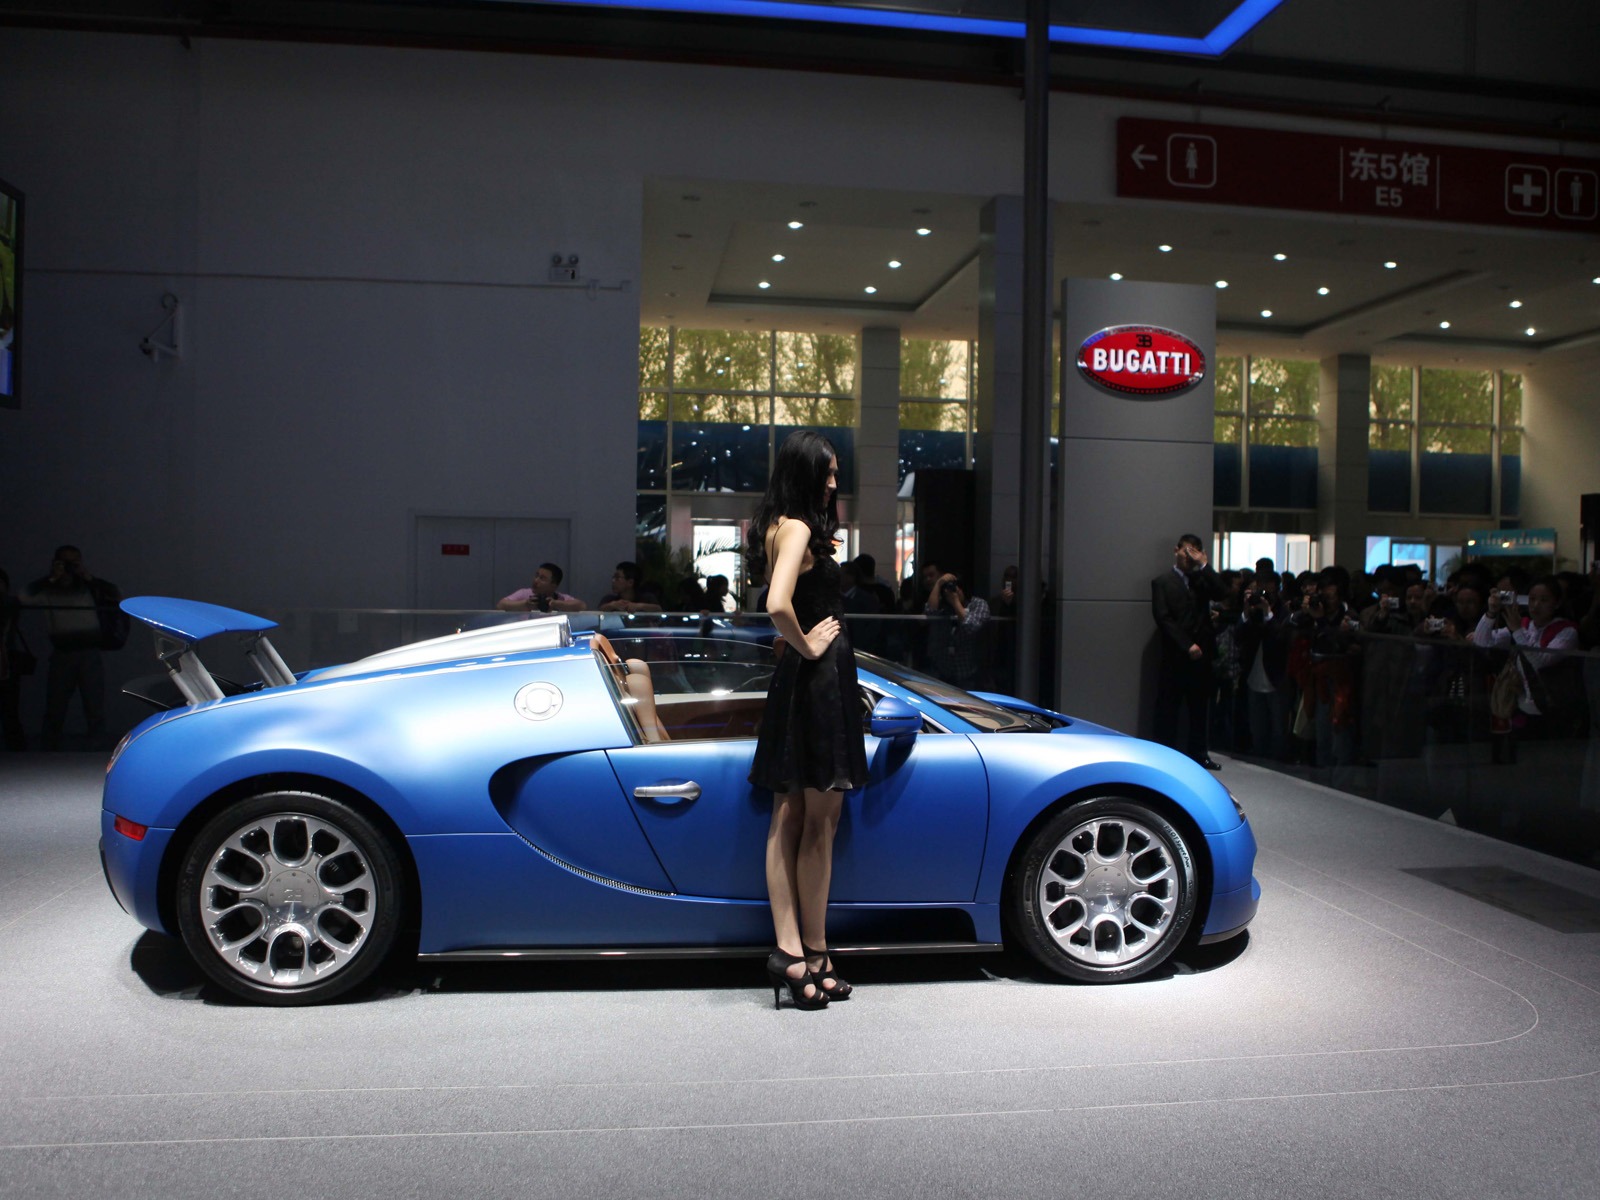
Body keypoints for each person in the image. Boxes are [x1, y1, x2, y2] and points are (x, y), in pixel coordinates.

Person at [745, 430, 868, 1010]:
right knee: (815, 821)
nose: (834, 482)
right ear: (804, 473)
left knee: (792, 817)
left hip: (804, 682)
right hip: (816, 682)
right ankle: (804, 954)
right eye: (827, 472)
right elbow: (776, 604)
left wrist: (797, 648)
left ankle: (800, 955)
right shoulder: (795, 527)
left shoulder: (780, 526)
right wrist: (808, 646)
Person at [25, 545, 121, 751]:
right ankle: (49, 748)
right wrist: (51, 577)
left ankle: (97, 748)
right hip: (63, 653)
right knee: (56, 706)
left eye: (73, 562)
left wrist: (87, 576)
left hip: (89, 652)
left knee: (94, 704)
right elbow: (23, 597)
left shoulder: (88, 587)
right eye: (65, 562)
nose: (69, 567)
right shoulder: (48, 590)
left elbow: (116, 594)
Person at [1151, 534, 1223, 769]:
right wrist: (1186, 645)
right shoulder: (1162, 582)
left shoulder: (1202, 580)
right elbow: (1163, 618)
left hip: (1202, 656)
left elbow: (1224, 593)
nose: (1188, 557)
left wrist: (1204, 565)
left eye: (1194, 553)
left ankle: (1199, 754)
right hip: (1175, 655)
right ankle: (1164, 756)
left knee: (1199, 709)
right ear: (1176, 550)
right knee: (1168, 709)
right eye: (1186, 552)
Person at [926, 572, 990, 689]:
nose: (952, 592)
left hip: (968, 672)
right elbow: (930, 611)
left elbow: (970, 625)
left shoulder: (978, 604)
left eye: (955, 588)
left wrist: (955, 602)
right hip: (944, 672)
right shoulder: (944, 605)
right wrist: (938, 584)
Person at [0, 568, 30, 750]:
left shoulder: (8, 604)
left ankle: (16, 748)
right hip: (6, 661)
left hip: (6, 662)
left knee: (10, 709)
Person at [497, 562, 584, 614]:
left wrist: (556, 604)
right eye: (536, 576)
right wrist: (525, 604)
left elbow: (582, 606)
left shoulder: (561, 598)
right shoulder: (524, 593)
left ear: (553, 584)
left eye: (542, 578)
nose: (536, 580)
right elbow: (500, 605)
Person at [598, 561, 662, 613]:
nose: (613, 581)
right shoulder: (610, 599)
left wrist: (639, 606)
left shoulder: (647, 598)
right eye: (613, 577)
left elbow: (658, 610)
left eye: (617, 578)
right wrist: (611, 606)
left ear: (630, 582)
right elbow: (599, 611)